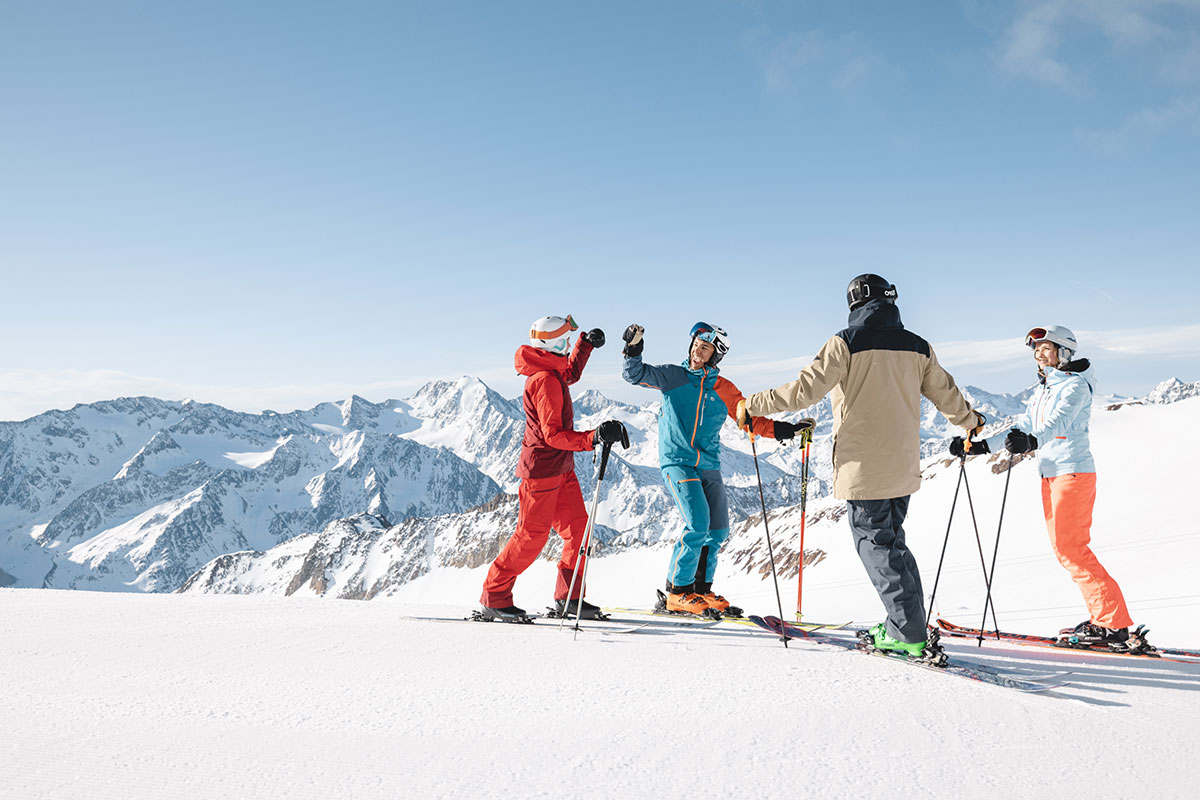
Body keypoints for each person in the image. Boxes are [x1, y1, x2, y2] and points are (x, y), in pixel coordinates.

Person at [738, 275, 984, 659]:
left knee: (876, 545)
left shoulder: (845, 343)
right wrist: (971, 422)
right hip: (903, 466)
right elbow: (946, 394)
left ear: (854, 302)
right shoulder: (918, 347)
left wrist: (752, 404)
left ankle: (907, 633)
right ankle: (908, 622)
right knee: (893, 543)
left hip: (862, 466)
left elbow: (804, 391)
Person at [962, 325, 1145, 651]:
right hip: (1052, 475)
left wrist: (1032, 440)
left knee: (1072, 549)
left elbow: (1056, 424)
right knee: (1068, 550)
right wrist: (980, 448)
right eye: (1036, 349)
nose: (1039, 354)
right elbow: (1023, 428)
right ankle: (1105, 620)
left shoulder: (1074, 386)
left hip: (1072, 473)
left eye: (1046, 348)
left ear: (1064, 352)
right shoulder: (1045, 389)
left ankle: (1112, 625)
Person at [621, 321, 811, 617]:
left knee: (718, 529)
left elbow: (750, 420)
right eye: (696, 343)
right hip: (678, 462)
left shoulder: (724, 388)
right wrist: (633, 349)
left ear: (716, 354)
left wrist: (786, 430)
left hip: (709, 464)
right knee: (697, 523)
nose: (698, 349)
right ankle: (677, 593)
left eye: (706, 346)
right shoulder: (674, 376)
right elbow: (635, 374)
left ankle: (700, 590)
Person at [478, 315, 625, 622]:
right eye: (566, 339)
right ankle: (495, 596)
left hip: (561, 469)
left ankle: (569, 596)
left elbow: (568, 373)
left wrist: (585, 346)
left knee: (578, 532)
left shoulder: (550, 369)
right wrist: (593, 437)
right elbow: (553, 435)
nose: (569, 342)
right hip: (542, 472)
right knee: (530, 538)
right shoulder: (544, 381)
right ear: (552, 343)